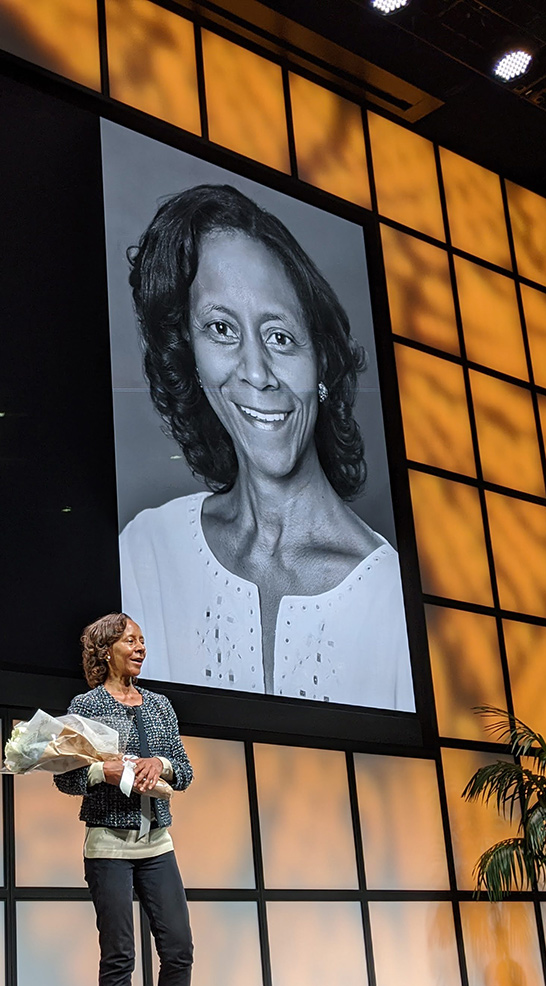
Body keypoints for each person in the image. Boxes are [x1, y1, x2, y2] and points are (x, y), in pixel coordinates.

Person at [119, 184, 414, 708]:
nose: (257, 373)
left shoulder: (394, 598)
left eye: (279, 336)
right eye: (221, 329)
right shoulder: (146, 554)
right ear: (190, 356)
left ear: (321, 360)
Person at [54, 613, 211, 986]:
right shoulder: (87, 704)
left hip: (157, 843)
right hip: (108, 845)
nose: (140, 648)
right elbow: (66, 778)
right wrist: (106, 770)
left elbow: (182, 771)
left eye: (143, 641)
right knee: (120, 955)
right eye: (130, 641)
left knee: (178, 948)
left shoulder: (161, 705)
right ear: (106, 651)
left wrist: (157, 762)